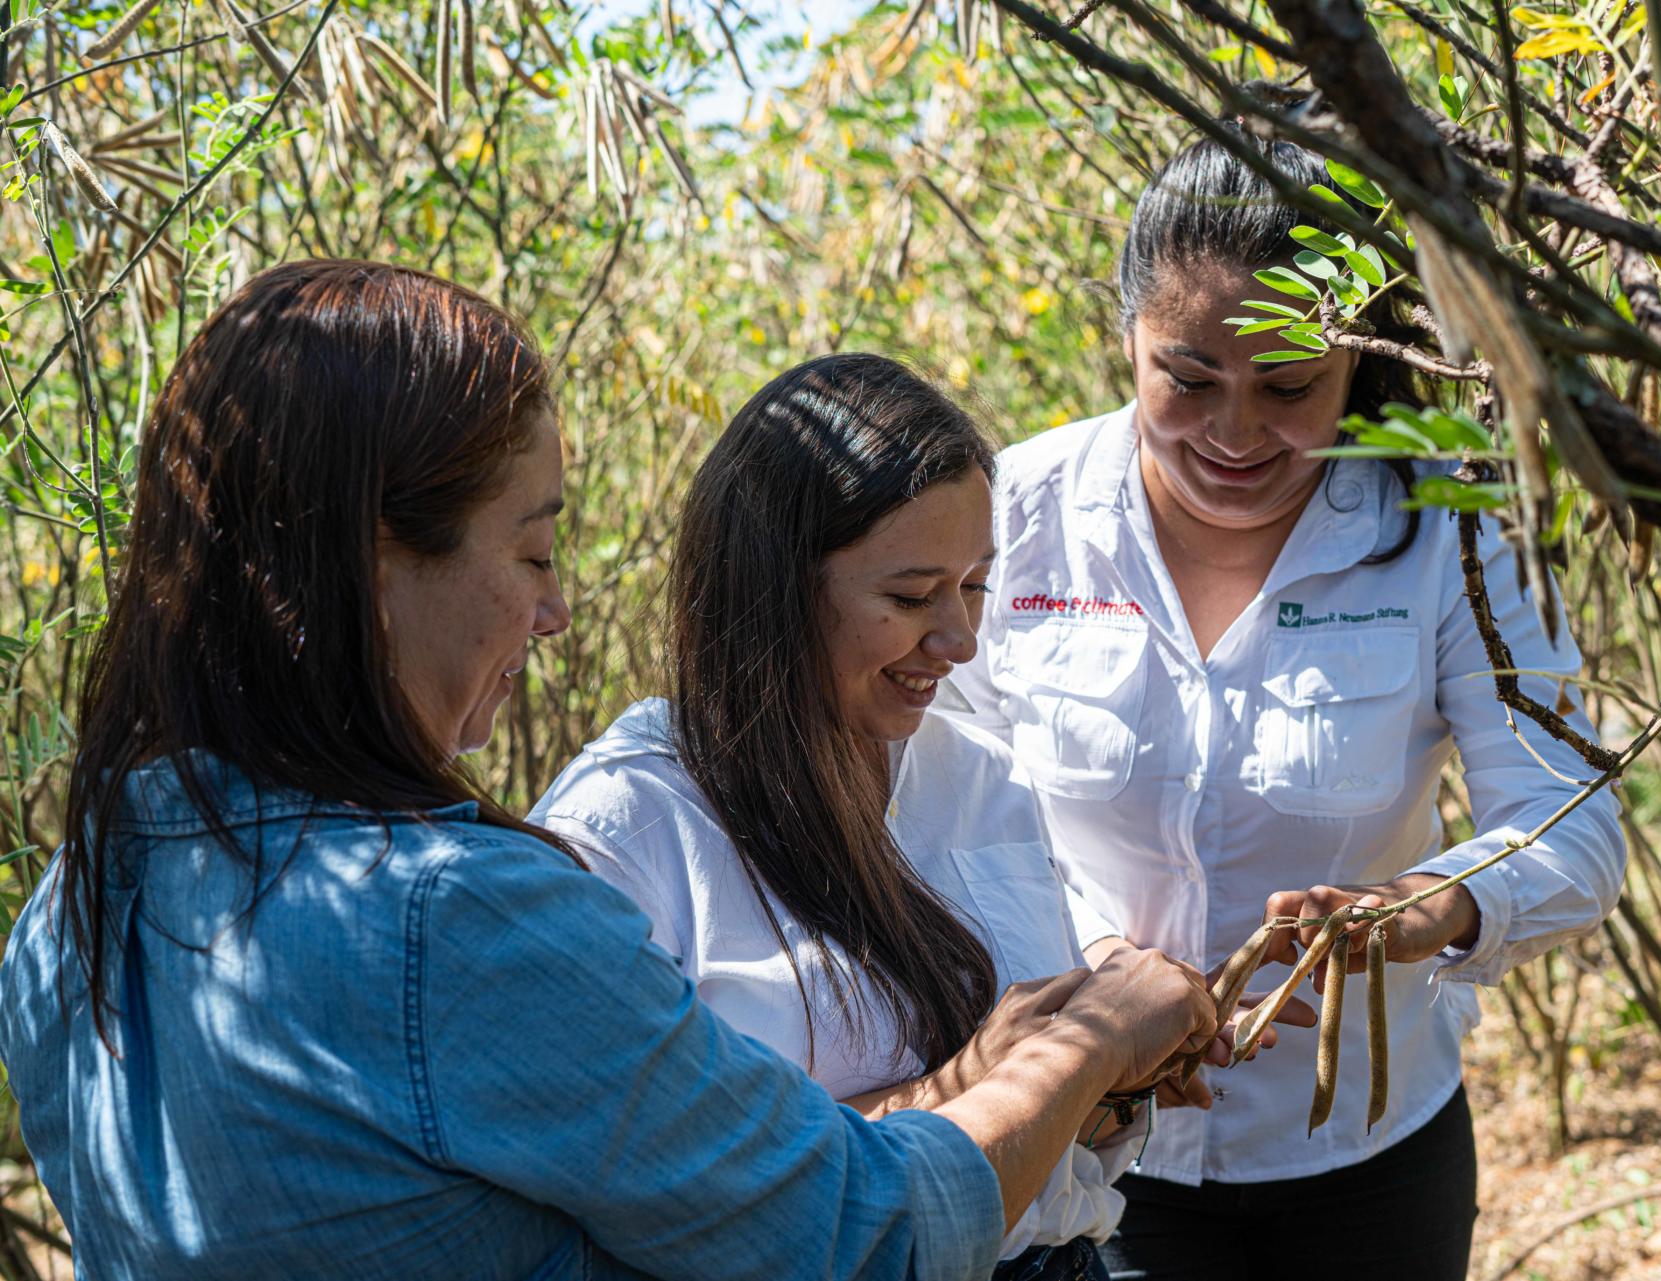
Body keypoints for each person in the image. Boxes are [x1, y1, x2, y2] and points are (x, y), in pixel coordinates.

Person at [0, 260, 1222, 1281]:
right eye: (532, 553)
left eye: (972, 589)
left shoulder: (70, 910)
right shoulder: (466, 915)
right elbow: (851, 1230)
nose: (556, 611)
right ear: (372, 560)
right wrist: (1083, 1050)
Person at [943, 118, 1629, 1280]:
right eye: (1189, 378)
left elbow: (1575, 823)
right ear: (1129, 342)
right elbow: (944, 806)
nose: (1236, 432)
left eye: (1292, 384)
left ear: (1360, 354)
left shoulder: (1453, 532)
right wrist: (1095, 959)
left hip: (1371, 1161)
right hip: (1087, 1150)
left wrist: (1426, 906)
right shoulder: (1014, 515)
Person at [531, 353, 1292, 1281]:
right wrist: (1028, 1071)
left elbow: (1054, 1124)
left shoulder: (982, 780)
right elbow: (676, 1197)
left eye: (976, 585)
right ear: (773, 583)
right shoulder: (627, 829)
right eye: (909, 595)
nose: (960, 640)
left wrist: (1119, 1074)